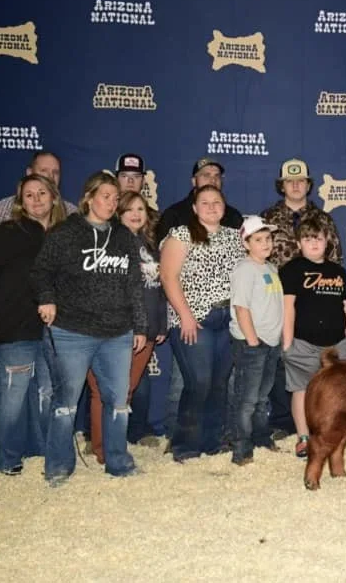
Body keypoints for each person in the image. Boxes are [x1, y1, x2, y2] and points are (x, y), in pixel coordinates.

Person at [31, 171, 146, 486]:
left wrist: (140, 325)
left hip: (117, 332)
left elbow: (134, 284)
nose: (111, 203)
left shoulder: (124, 237)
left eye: (115, 198)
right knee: (66, 403)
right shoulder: (66, 232)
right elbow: (41, 271)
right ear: (89, 197)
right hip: (72, 330)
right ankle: (58, 467)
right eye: (105, 196)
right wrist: (47, 300)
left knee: (118, 401)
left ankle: (118, 462)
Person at [0, 174, 65, 475]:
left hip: (56, 332)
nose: (36, 199)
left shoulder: (65, 235)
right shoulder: (5, 234)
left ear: (54, 197)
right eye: (29, 195)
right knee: (12, 395)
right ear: (20, 202)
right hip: (12, 331)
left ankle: (46, 452)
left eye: (42, 193)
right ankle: (5, 459)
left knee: (48, 394)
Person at [159, 184, 242, 462]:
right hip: (193, 319)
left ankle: (212, 441)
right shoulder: (181, 234)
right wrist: (185, 315)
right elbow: (168, 277)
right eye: (204, 202)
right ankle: (185, 445)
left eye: (216, 202)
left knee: (219, 383)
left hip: (227, 319)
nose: (211, 207)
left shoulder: (235, 237)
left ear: (224, 206)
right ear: (194, 208)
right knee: (199, 382)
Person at [259, 157, 341, 438]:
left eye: (301, 181)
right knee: (285, 359)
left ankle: (321, 424)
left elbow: (335, 259)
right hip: (278, 298)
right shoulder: (267, 219)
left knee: (322, 367)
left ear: (308, 185)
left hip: (317, 300)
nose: (295, 185)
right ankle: (284, 422)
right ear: (282, 186)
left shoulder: (324, 220)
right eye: (289, 181)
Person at [83, 191, 167, 463]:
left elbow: (158, 287)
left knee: (125, 390)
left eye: (140, 209)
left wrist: (160, 323)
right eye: (129, 209)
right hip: (118, 329)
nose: (136, 214)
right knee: (104, 390)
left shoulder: (149, 244)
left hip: (148, 329)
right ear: (118, 213)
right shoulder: (111, 243)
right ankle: (101, 449)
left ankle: (113, 445)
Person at [280, 217, 346, 458]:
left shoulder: (339, 272)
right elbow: (288, 307)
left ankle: (331, 436)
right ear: (299, 243)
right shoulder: (291, 270)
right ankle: (303, 438)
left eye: (318, 239)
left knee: (336, 393)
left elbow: (345, 309)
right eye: (308, 239)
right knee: (301, 389)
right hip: (303, 342)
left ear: (327, 242)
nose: (313, 243)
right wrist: (287, 343)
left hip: (336, 344)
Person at [228, 216, 284, 466]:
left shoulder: (271, 269)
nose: (266, 243)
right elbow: (241, 307)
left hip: (270, 342)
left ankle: (261, 438)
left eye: (268, 238)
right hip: (253, 342)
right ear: (246, 243)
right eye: (258, 239)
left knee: (262, 397)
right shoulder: (244, 269)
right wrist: (252, 340)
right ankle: (241, 448)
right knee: (247, 399)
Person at [0, 151, 77, 247]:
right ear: (29, 172)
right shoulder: (4, 207)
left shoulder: (71, 211)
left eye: (55, 172)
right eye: (44, 171)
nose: (50, 177)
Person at [156, 157, 244, 243]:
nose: (213, 180)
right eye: (206, 175)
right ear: (194, 181)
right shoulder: (174, 215)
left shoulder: (233, 216)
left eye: (217, 176)